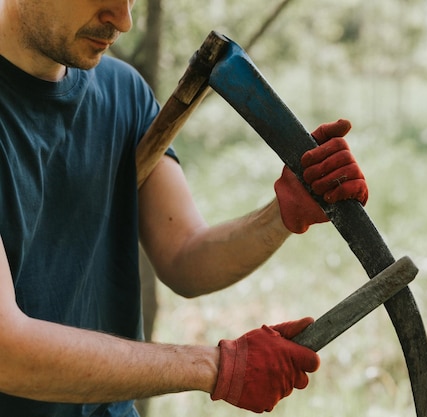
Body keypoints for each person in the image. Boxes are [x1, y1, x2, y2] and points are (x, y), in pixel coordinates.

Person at [0, 0, 369, 416]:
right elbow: (6, 353)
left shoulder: (124, 92)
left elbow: (185, 258)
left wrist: (286, 210)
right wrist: (216, 367)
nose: (124, 20)